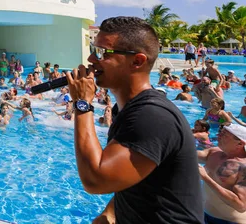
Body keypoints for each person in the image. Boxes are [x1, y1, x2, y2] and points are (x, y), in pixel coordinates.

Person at [67, 16, 203, 223]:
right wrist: (110, 213)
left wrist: (82, 104)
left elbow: (96, 181)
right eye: (93, 51)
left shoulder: (152, 116)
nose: (92, 60)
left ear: (137, 61)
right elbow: (135, 175)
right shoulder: (127, 110)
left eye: (103, 53)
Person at [198, 125, 246, 223]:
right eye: (220, 132)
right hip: (204, 214)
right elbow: (187, 154)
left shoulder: (243, 167)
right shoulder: (214, 152)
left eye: (224, 135)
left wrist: (205, 178)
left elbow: (241, 206)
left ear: (240, 143)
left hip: (230, 221)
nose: (218, 135)